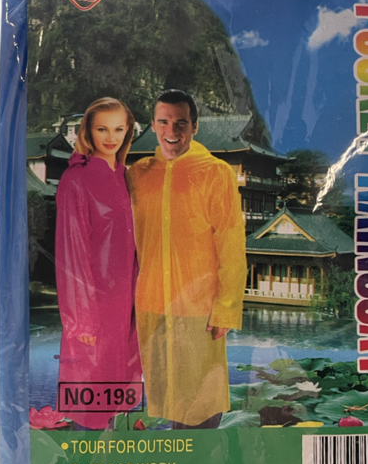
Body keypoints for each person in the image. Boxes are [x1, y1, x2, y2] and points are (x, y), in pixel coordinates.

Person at [126, 89, 246, 428]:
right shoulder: (138, 174)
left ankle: (200, 457)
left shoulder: (215, 172)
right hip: (150, 304)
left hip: (198, 308)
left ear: (194, 126)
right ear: (153, 125)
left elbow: (231, 243)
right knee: (162, 402)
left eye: (181, 123)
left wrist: (226, 308)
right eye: (163, 122)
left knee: (200, 405)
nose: (172, 131)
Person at [55, 98, 142, 429]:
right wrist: (81, 321)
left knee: (121, 401)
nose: (111, 138)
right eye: (102, 129)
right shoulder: (76, 180)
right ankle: (82, 458)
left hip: (126, 308)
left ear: (128, 131)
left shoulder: (125, 177)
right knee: (89, 403)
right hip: (93, 311)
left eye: (119, 129)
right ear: (88, 132)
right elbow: (71, 255)